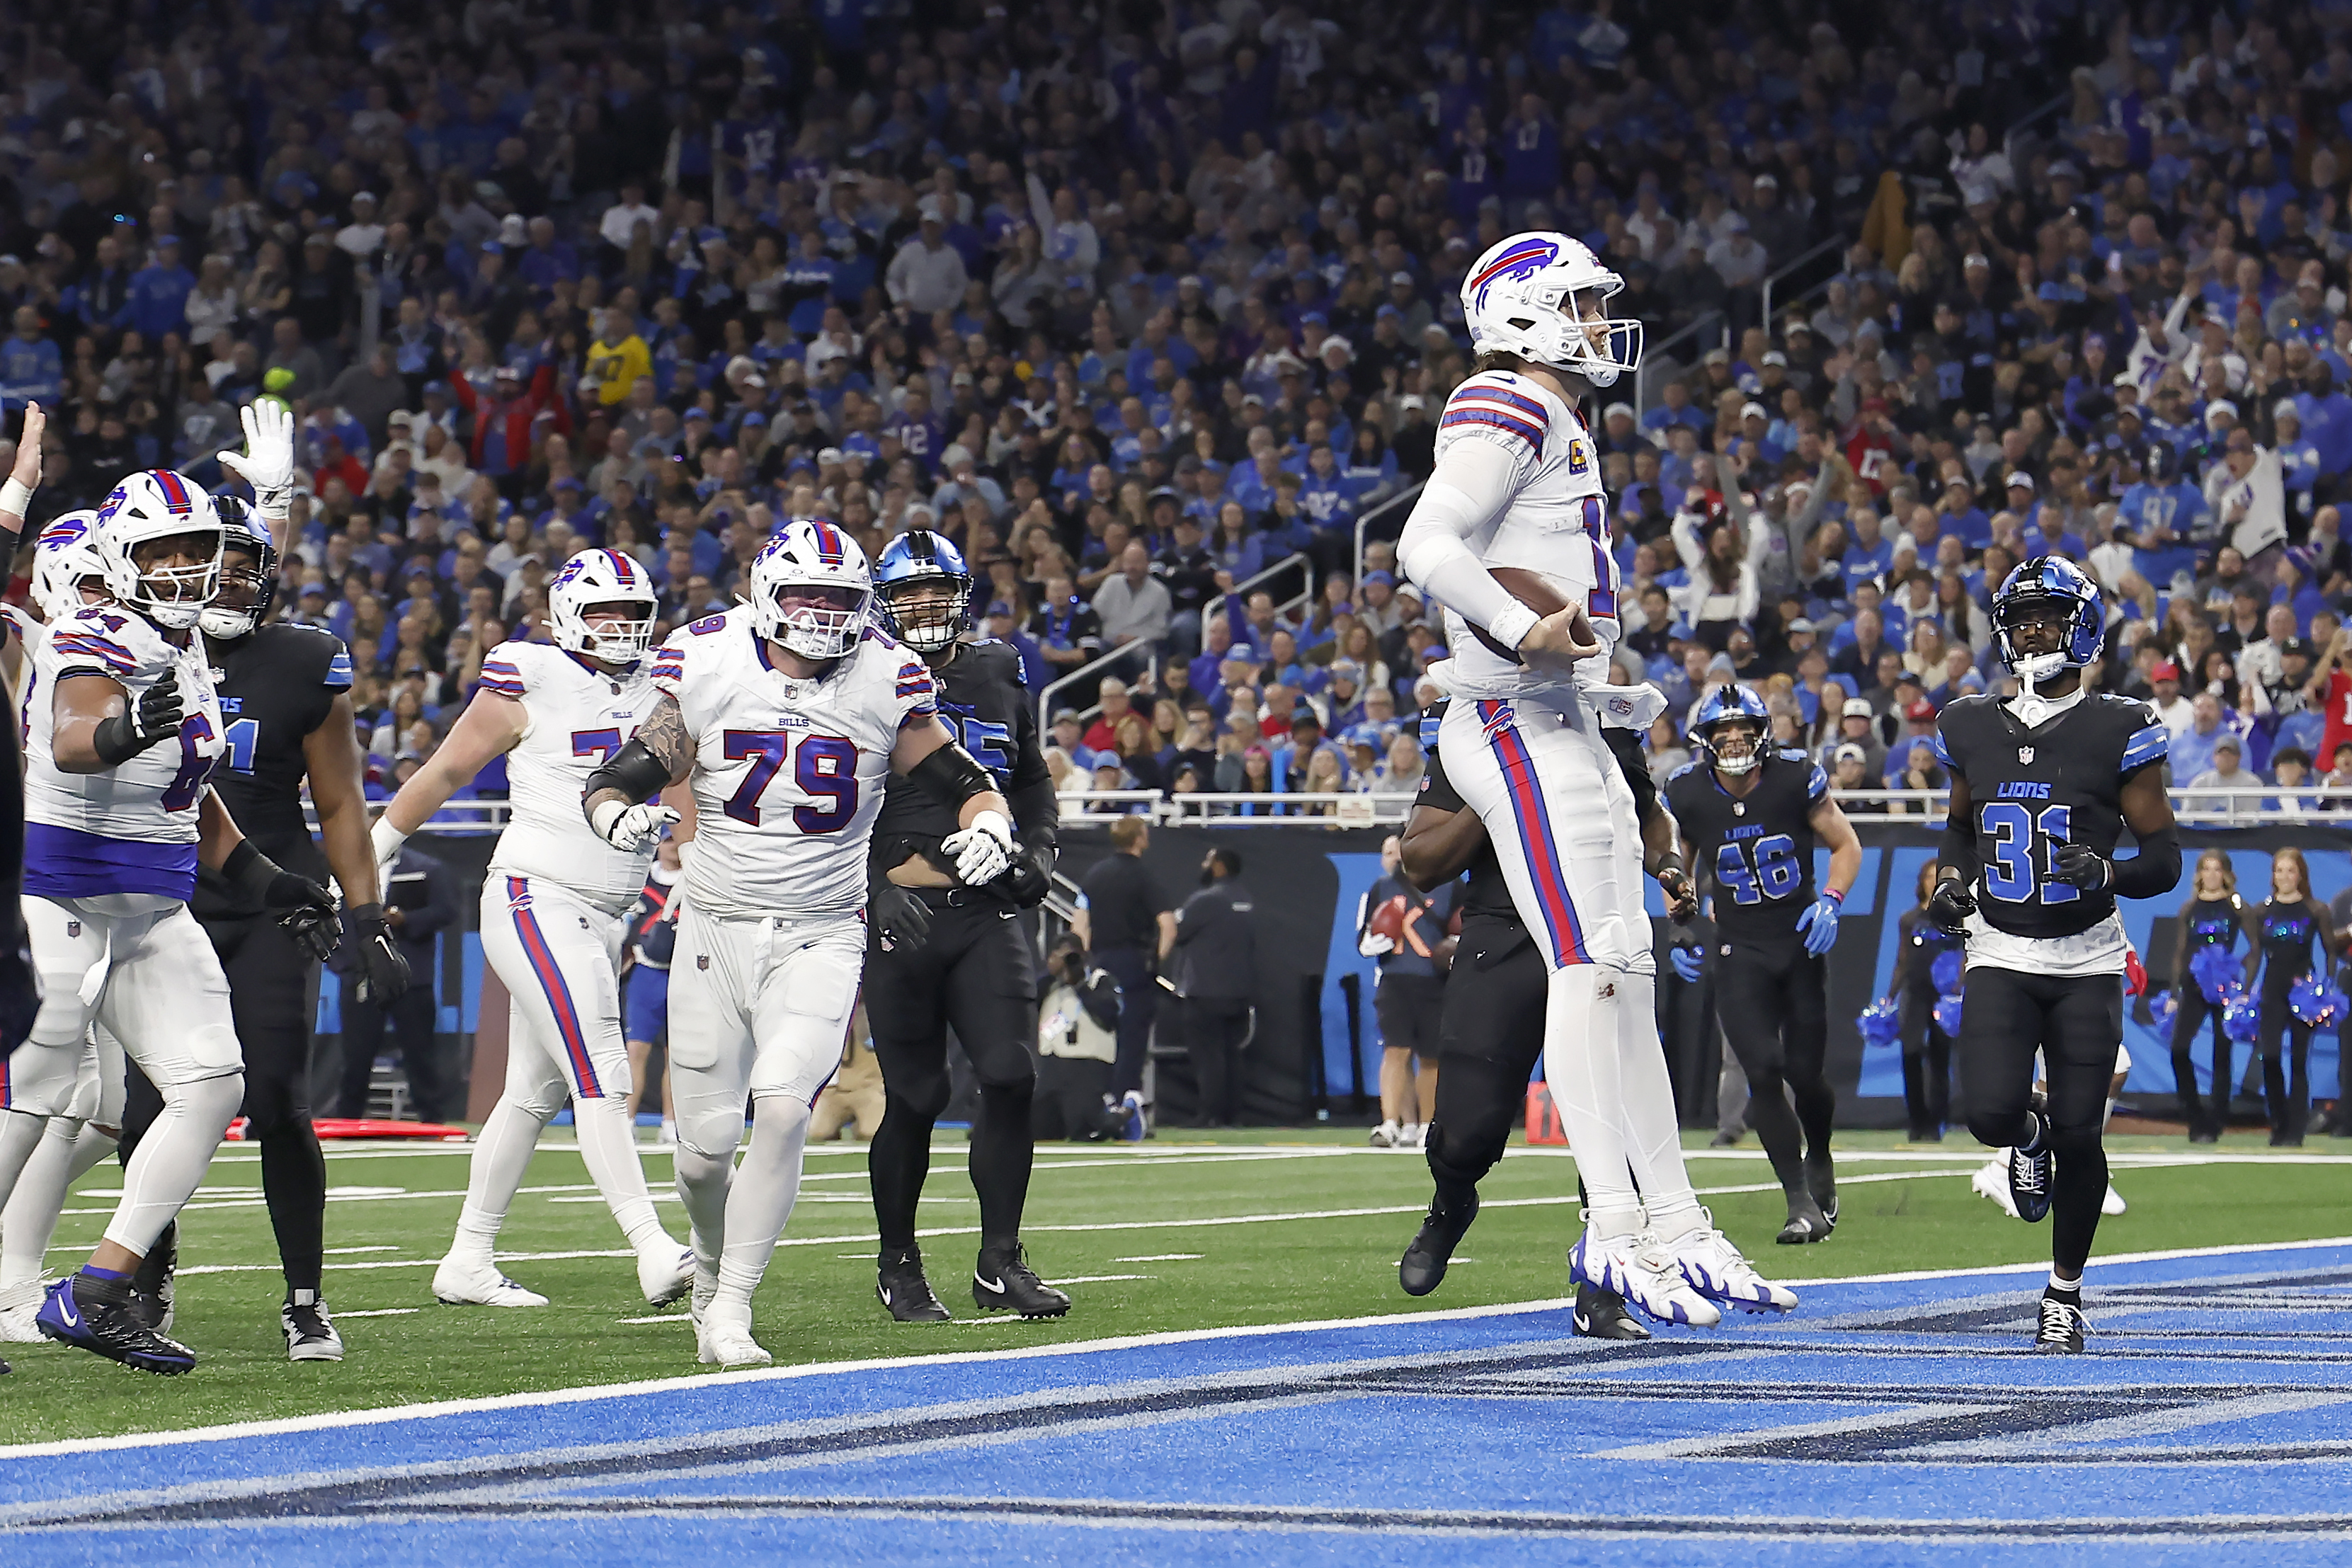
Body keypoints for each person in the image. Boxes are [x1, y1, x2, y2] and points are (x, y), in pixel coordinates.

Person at [1395, 231, 1740, 1325]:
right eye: (1583, 305)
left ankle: (1669, 1217)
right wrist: (1513, 626)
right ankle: (1615, 1227)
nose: (1600, 325)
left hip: (1561, 713)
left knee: (1624, 964)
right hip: (1512, 713)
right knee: (1592, 965)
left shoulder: (1557, 416)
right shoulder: (1507, 401)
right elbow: (1426, 538)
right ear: (1531, 311)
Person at [583, 520, 1018, 1367]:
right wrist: (616, 814)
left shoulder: (885, 676)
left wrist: (993, 822)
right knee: (704, 1155)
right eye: (806, 595)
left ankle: (734, 1307)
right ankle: (708, 1274)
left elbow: (963, 778)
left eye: (840, 599)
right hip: (714, 928)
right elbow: (624, 771)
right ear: (765, 594)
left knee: (783, 1107)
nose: (822, 614)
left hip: (822, 931)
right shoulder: (709, 659)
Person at [11, 471, 338, 1374]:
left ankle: (99, 1289)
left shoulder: (188, 645)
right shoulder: (98, 632)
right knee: (33, 1099)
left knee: (212, 1084)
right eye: (164, 551)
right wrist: (122, 733)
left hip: (153, 904)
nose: (186, 567)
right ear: (124, 556)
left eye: (197, 550)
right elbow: (79, 737)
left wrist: (276, 883)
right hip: (62, 894)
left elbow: (193, 803)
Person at [105, 483, 406, 1362]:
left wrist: (367, 910)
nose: (228, 585)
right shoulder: (139, 647)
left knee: (278, 1098)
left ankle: (304, 1297)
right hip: (166, 898)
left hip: (278, 902)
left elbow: (341, 799)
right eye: (214, 569)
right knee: (147, 1104)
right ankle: (144, 1274)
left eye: (246, 572)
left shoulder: (304, 658)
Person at [1395, 698, 1791, 1334]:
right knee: (1468, 1124)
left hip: (1593, 927)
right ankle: (1451, 1202)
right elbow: (1420, 863)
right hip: (1507, 930)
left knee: (1614, 1097)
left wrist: (1666, 864)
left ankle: (1604, 1276)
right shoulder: (1477, 722)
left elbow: (1648, 817)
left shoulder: (1606, 717)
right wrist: (1503, 784)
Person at [370, 548, 695, 1311]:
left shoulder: (669, 686)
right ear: (565, 615)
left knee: (532, 1092)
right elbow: (446, 771)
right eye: (604, 611)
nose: (619, 626)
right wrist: (371, 856)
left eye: (631, 612)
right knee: (603, 1071)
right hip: (536, 894)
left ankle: (468, 1258)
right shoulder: (530, 673)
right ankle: (652, 1244)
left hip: (605, 911)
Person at [1926, 556, 2180, 1353]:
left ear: (2084, 625)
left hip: (2086, 958)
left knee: (2083, 1134)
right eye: (2022, 617)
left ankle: (2063, 1292)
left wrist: (2108, 871)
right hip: (2000, 944)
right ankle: (2023, 1138)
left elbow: (2165, 857)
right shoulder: (1968, 722)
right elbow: (1961, 827)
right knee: (1989, 1116)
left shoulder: (2120, 725)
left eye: (2048, 615)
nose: (2034, 630)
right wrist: (1948, 883)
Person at [862, 529, 1064, 1322]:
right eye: (907, 593)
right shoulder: (859, 680)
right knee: (915, 1094)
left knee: (1012, 1075)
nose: (923, 607)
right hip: (902, 912)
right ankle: (898, 1263)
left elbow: (1033, 777)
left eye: (935, 592)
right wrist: (872, 885)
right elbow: (834, 811)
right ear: (883, 603)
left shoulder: (996, 668)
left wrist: (1039, 850)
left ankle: (998, 1260)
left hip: (983, 911)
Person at [1665, 683, 1861, 1242]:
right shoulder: (1688, 792)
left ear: (1762, 736)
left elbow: (1846, 845)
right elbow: (1677, 867)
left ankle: (1819, 1150)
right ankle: (1799, 1200)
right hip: (1738, 947)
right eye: (1721, 735)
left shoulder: (1795, 777)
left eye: (1742, 734)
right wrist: (1681, 929)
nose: (1732, 743)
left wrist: (1832, 900)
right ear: (1705, 742)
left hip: (1797, 941)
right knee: (1763, 1069)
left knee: (1805, 1073)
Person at [337, 837, 457, 1120]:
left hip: (411, 975)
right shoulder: (344, 870)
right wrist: (344, 964)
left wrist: (407, 920)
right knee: (355, 1055)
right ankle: (346, 1121)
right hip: (361, 976)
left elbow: (446, 910)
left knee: (420, 1053)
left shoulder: (427, 868)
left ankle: (432, 1121)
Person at [1071, 814, 1174, 1135]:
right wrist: (1155, 962)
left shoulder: (1094, 876)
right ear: (1140, 839)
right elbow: (1168, 925)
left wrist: (1086, 965)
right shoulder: (1144, 877)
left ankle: (1096, 1103)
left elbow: (1079, 925)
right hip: (1132, 964)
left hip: (1100, 964)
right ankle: (1125, 1107)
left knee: (1101, 1037)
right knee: (1132, 1040)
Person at [1356, 832, 1455, 1149]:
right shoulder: (1381, 888)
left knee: (1430, 1058)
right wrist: (1376, 941)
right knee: (1396, 1051)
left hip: (1435, 981)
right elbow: (1364, 940)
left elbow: (1464, 926)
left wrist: (1455, 947)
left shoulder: (1452, 885)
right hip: (1395, 979)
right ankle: (1390, 1123)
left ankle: (1427, 1125)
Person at [2247, 848, 2336, 1146]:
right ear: (2272, 876)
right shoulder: (2261, 911)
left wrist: (2326, 989)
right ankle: (2278, 1123)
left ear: (2301, 875)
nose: (2284, 877)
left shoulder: (2316, 909)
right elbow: (2256, 955)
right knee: (2270, 1058)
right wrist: (2246, 992)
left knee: (2299, 1061)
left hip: (2304, 994)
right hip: (2272, 992)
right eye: (2279, 871)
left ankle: (2296, 1130)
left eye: (2290, 870)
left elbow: (2331, 953)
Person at [1163, 847, 1256, 1128]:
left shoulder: (1205, 900)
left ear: (1219, 867)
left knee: (1208, 1057)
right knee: (1232, 1055)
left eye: (1208, 860)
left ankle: (1210, 1114)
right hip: (1239, 991)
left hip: (1205, 991)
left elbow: (1175, 932)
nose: (1203, 865)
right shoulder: (1245, 899)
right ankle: (1233, 1114)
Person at [2166, 849, 2251, 1144]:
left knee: (2221, 1055)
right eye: (2206, 869)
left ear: (2226, 875)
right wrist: (2174, 993)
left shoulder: (2236, 907)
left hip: (2225, 988)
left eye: (2217, 870)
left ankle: (2215, 1122)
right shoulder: (2189, 908)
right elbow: (2180, 952)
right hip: (2193, 986)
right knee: (2178, 1049)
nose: (2212, 875)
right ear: (2199, 874)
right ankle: (2195, 1117)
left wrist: (2245, 986)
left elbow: (2256, 949)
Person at [1885, 862, 1964, 1141]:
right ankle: (1916, 1120)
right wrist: (1891, 995)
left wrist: (1958, 986)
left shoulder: (1957, 917)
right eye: (1929, 877)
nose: (1932, 882)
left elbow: (1965, 953)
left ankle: (1936, 1123)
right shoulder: (1909, 919)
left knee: (1941, 1058)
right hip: (1916, 992)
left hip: (1944, 995)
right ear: (1921, 882)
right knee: (1911, 1052)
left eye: (1938, 877)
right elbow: (1902, 959)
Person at [622, 837, 683, 1146]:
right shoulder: (640, 882)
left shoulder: (697, 878)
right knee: (636, 1050)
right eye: (667, 839)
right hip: (647, 972)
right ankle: (626, 1121)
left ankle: (672, 1124)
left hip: (684, 974)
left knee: (679, 1054)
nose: (673, 846)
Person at [1034, 935, 1121, 1140]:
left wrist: (1080, 985)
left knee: (1083, 1129)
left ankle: (1122, 1119)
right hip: (1051, 1065)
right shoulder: (1048, 985)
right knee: (1037, 1128)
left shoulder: (1100, 980)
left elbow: (1110, 1016)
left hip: (1087, 1064)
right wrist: (1051, 975)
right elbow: (1027, 1005)